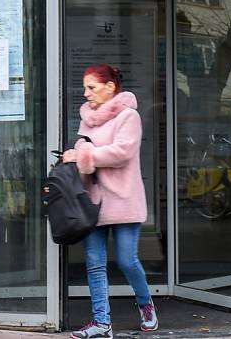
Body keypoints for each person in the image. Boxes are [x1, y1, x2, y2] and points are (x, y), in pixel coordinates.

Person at [60, 64, 158, 337]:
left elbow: (122, 153)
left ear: (110, 87)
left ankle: (146, 305)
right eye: (85, 88)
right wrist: (79, 152)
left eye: (91, 87)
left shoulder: (129, 116)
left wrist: (84, 155)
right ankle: (101, 323)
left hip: (124, 200)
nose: (86, 93)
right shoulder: (88, 118)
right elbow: (80, 145)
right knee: (95, 263)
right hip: (93, 202)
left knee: (127, 261)